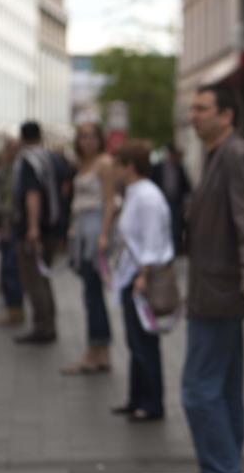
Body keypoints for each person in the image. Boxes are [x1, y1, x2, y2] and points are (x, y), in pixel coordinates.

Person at [173, 83, 244, 473]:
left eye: (202, 108)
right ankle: (224, 469)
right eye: (193, 108)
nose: (193, 115)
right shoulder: (217, 154)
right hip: (215, 290)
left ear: (226, 115)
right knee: (223, 388)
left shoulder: (236, 155)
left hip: (220, 294)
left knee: (199, 388)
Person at [109, 140, 174, 421]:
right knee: (135, 341)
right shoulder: (135, 193)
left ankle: (151, 403)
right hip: (131, 275)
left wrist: (144, 275)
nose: (114, 170)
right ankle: (137, 398)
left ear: (130, 167)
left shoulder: (147, 196)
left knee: (144, 342)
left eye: (118, 165)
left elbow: (152, 239)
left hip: (141, 278)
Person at [60, 124, 116, 375]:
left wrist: (104, 234)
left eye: (92, 136)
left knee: (93, 291)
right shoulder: (83, 164)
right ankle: (99, 350)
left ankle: (97, 349)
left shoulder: (104, 163)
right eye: (83, 137)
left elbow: (109, 201)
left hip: (94, 228)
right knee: (90, 292)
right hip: (81, 228)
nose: (87, 141)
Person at [12, 121, 61, 344]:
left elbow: (32, 194)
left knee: (34, 279)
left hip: (34, 230)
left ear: (22, 137)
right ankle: (49, 323)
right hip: (53, 227)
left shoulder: (28, 161)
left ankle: (43, 327)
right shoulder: (52, 158)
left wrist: (32, 228)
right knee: (44, 277)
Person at [0, 139, 25, 327]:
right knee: (6, 267)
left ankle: (16, 309)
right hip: (5, 223)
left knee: (11, 268)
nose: (10, 153)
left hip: (14, 223)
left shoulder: (19, 171)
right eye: (8, 149)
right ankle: (13, 308)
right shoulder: (4, 171)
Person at [152, 144, 192, 255]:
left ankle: (174, 249)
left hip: (175, 202)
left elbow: (186, 186)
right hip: (162, 201)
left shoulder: (179, 168)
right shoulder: (158, 167)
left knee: (175, 226)